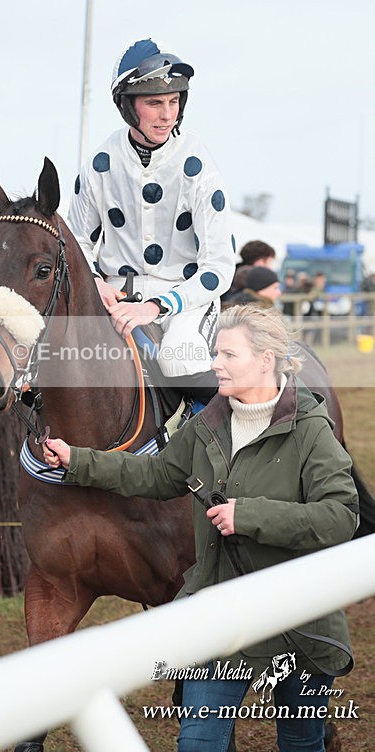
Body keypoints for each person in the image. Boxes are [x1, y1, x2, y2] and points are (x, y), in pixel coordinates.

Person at [42, 304, 357, 752]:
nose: (214, 364)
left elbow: (341, 516)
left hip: (297, 620)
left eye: (228, 355)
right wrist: (79, 461)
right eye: (215, 353)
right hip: (218, 614)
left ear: (265, 360)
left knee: (302, 744)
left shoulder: (311, 430)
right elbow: (157, 476)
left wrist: (248, 515)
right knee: (197, 745)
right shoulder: (209, 421)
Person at [67, 38, 236, 400]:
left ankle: (228, 447)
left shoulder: (199, 167)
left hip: (185, 299)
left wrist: (156, 307)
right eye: (154, 103)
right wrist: (94, 281)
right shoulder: (101, 162)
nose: (167, 114)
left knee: (178, 359)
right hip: (113, 295)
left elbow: (219, 267)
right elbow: (76, 239)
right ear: (129, 107)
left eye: (174, 102)